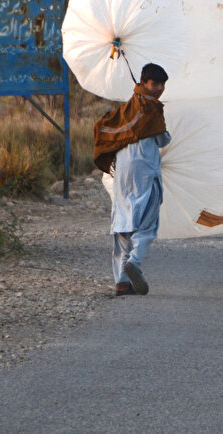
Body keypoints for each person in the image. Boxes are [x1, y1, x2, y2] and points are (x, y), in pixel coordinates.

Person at [93, 63, 171, 297]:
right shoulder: (151, 108)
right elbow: (161, 139)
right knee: (147, 222)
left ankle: (121, 282)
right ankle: (135, 263)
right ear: (144, 83)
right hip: (145, 170)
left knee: (124, 220)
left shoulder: (126, 110)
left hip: (122, 170)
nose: (159, 89)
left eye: (162, 85)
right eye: (155, 84)